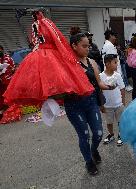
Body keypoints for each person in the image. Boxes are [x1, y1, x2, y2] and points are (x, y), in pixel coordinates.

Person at [3, 11, 94, 107]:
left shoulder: (37, 25)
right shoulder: (45, 23)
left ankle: (52, 100)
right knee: (59, 78)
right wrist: (65, 52)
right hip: (47, 53)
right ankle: (55, 100)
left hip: (37, 53)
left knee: (42, 80)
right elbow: (57, 38)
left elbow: (46, 39)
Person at [67, 32, 114, 175]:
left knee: (99, 134)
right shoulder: (66, 64)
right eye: (84, 46)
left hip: (91, 102)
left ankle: (93, 151)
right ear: (74, 46)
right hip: (74, 106)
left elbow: (98, 83)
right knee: (84, 135)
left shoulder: (92, 62)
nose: (88, 48)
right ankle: (89, 162)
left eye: (89, 45)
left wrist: (110, 86)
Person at [99, 54, 125, 146]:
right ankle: (111, 134)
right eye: (115, 62)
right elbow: (100, 92)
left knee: (120, 121)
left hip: (118, 104)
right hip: (107, 105)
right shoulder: (100, 76)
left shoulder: (117, 75)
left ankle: (120, 135)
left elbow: (122, 88)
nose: (117, 64)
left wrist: (123, 102)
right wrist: (101, 105)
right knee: (109, 122)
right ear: (107, 63)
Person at [0, 45, 16, 114]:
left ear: (2, 50)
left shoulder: (8, 58)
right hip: (1, 82)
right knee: (2, 97)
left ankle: (12, 108)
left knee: (10, 96)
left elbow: (14, 68)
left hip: (9, 81)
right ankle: (3, 109)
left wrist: (10, 69)